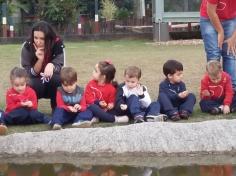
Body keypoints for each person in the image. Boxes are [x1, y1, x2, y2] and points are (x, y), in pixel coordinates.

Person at [21, 20, 65, 111]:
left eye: (42, 38)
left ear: (48, 38)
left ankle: (57, 109)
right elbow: (28, 74)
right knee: (30, 83)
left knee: (58, 79)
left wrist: (51, 65)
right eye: (35, 37)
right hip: (36, 82)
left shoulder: (57, 44)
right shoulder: (27, 46)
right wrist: (40, 60)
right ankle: (31, 110)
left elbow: (60, 67)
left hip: (51, 81)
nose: (38, 41)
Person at [0, 67, 50, 134]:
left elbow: (35, 107)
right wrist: (20, 104)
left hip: (29, 116)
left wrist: (31, 105)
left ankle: (51, 121)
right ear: (12, 83)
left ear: (26, 82)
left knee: (36, 114)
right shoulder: (10, 93)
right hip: (15, 116)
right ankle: (2, 125)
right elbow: (9, 108)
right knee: (4, 115)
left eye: (22, 85)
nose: (20, 88)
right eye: (17, 85)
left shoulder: (31, 91)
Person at [200, 0, 236, 88]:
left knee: (230, 53)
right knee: (214, 55)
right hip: (209, 18)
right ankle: (214, 87)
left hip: (230, 18)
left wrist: (233, 37)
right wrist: (220, 31)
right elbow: (210, 11)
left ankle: (232, 88)